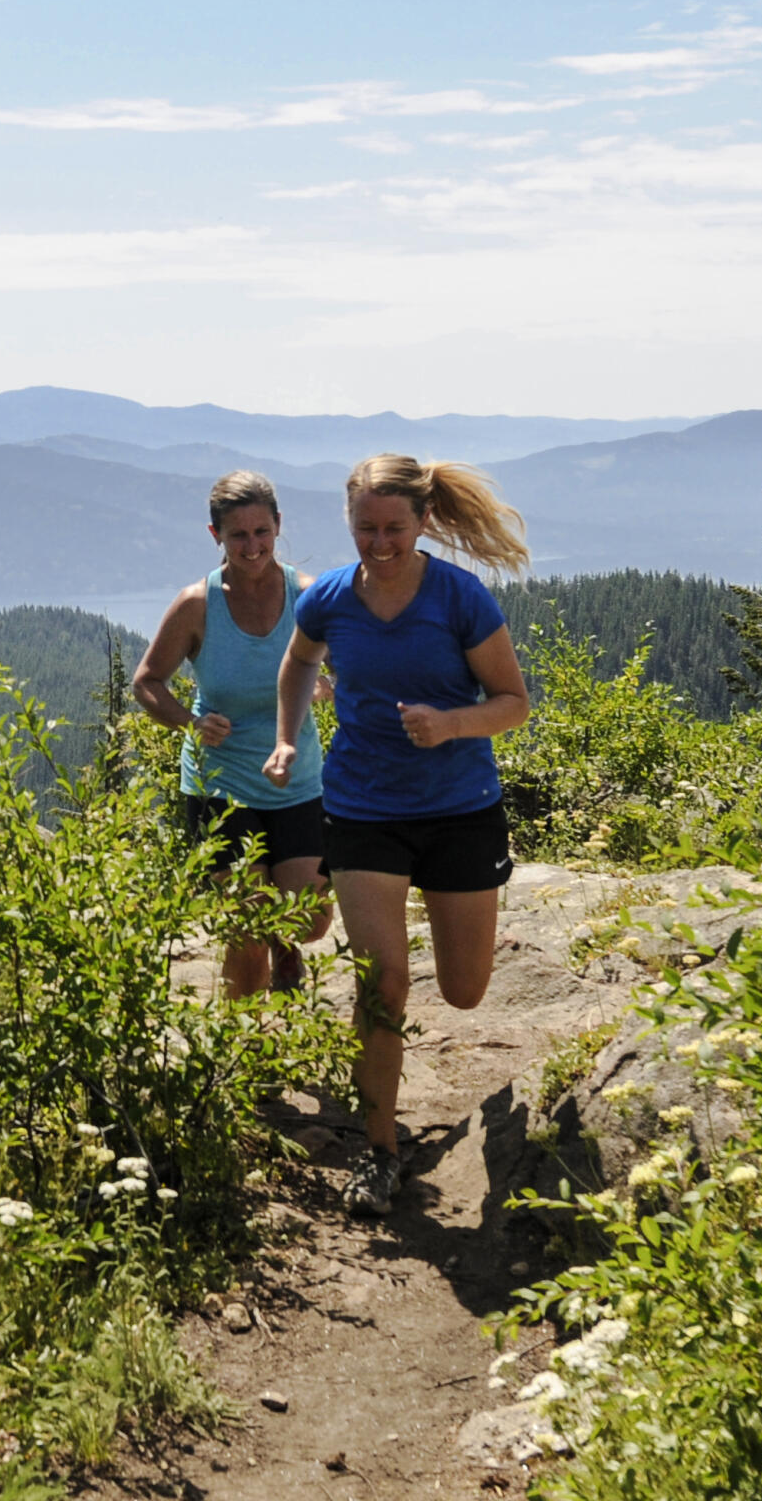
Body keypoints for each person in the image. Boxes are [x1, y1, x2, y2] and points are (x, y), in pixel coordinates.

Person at [264, 454, 531, 1216]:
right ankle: (378, 1153)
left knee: (464, 990)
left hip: (459, 807)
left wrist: (450, 724)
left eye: (394, 527)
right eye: (364, 528)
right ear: (348, 523)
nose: (379, 543)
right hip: (363, 808)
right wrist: (289, 739)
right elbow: (296, 665)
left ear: (423, 521)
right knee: (381, 984)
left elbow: (513, 702)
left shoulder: (458, 598)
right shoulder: (330, 600)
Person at [134, 471, 332, 1000]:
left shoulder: (308, 598)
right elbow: (147, 682)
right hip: (218, 785)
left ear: (279, 526)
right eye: (238, 535)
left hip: (298, 780)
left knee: (309, 920)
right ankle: (246, 1064)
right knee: (244, 932)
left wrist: (327, 686)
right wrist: (190, 722)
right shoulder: (197, 605)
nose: (252, 547)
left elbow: (355, 671)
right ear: (215, 535)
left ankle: (286, 948)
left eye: (262, 532)